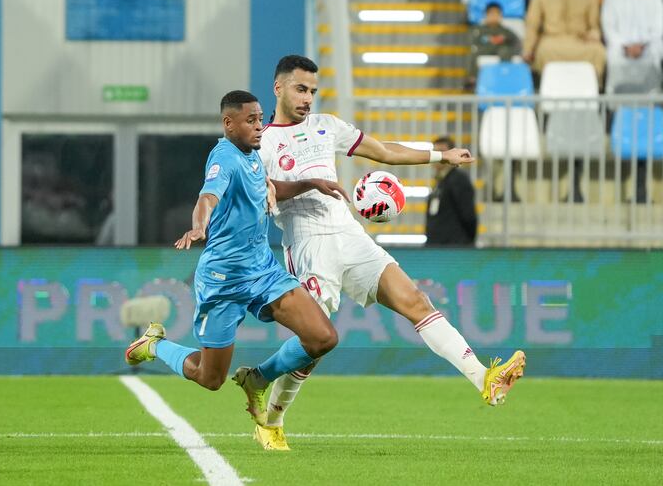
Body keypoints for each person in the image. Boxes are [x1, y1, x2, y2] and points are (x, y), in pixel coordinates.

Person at [256, 55, 526, 451]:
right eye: (301, 89)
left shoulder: (327, 126)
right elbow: (259, 193)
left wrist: (440, 156)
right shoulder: (261, 141)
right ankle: (272, 420)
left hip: (351, 234)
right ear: (278, 88)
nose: (308, 98)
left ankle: (483, 378)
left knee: (416, 300)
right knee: (314, 342)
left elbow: (384, 152)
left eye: (313, 91)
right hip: (309, 243)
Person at [125, 90, 345, 427]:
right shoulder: (224, 158)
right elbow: (207, 197)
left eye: (260, 119)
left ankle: (257, 378)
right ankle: (155, 344)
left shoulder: (251, 153)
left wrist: (310, 183)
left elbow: (267, 186)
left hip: (262, 271)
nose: (260, 127)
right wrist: (199, 227)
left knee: (323, 338)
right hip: (223, 280)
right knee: (209, 377)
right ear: (229, 124)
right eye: (251, 121)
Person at [523, 0, 606, 84]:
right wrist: (528, 49)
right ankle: (548, 92)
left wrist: (593, 34)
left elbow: (594, 25)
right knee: (544, 51)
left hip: (580, 40)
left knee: (597, 51)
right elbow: (532, 24)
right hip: (552, 41)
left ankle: (591, 91)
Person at [602, 0, 663, 94]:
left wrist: (641, 46)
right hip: (620, 48)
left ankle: (653, 101)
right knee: (613, 56)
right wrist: (626, 47)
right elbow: (609, 29)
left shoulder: (655, 0)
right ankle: (614, 106)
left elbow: (658, 29)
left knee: (656, 52)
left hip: (648, 47)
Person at [425, 137, 478, 246]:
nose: (438, 156)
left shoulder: (459, 179)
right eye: (435, 151)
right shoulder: (440, 181)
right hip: (438, 246)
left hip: (454, 248)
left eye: (442, 152)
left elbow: (468, 215)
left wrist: (467, 242)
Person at [465, 2, 522, 89]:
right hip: (484, 51)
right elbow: (474, 43)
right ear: (486, 15)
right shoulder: (479, 30)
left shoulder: (506, 31)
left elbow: (515, 42)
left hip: (502, 52)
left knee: (506, 50)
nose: (494, 16)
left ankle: (504, 77)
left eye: (497, 14)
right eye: (491, 14)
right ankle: (473, 80)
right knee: (473, 52)